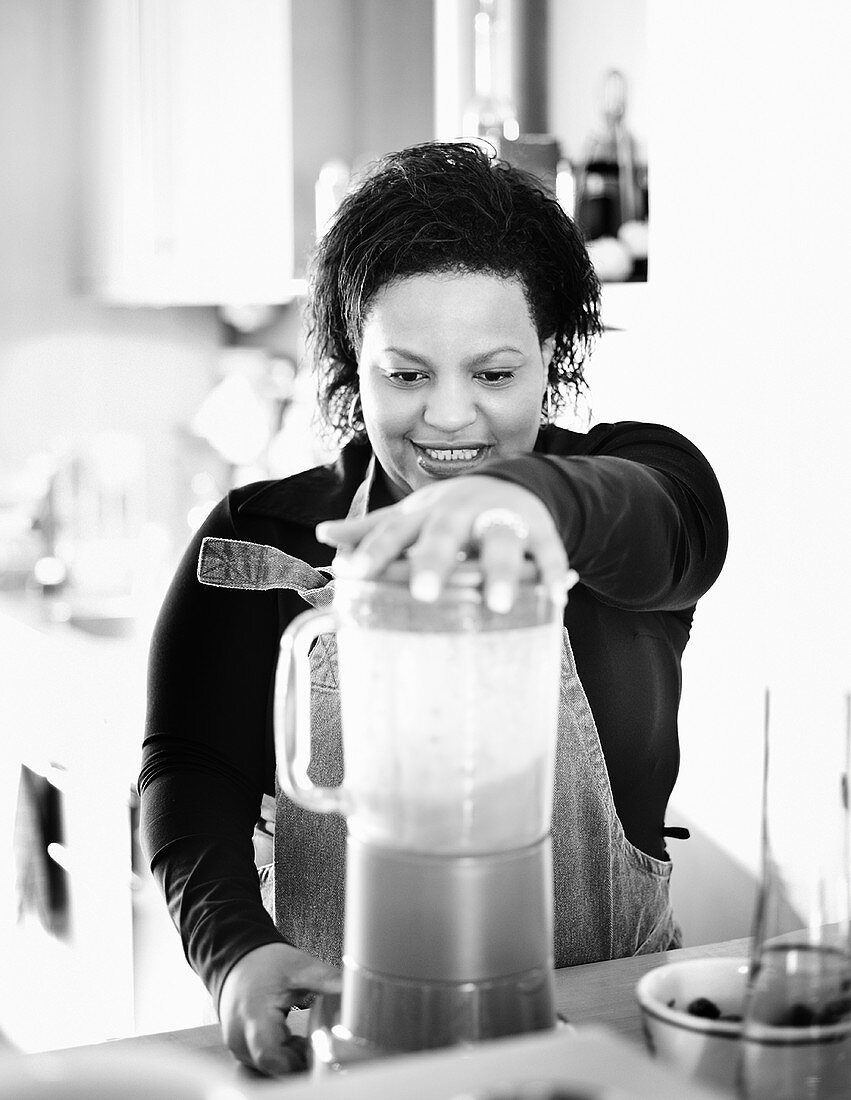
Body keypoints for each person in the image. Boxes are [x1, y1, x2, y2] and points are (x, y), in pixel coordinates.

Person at [139, 141, 728, 1076]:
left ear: (551, 356)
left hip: (602, 1036)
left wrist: (537, 500)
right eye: (405, 374)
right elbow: (189, 763)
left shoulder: (634, 490)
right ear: (351, 364)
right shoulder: (261, 536)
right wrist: (233, 952)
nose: (449, 418)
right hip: (352, 1044)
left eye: (492, 374)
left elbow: (683, 528)